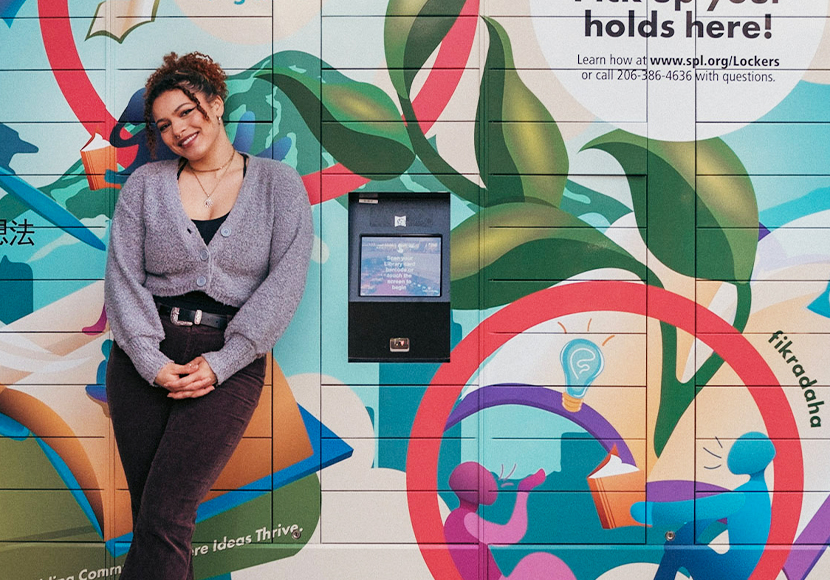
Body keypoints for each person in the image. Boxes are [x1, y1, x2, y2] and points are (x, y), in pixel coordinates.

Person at [104, 52, 313, 579]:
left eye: (186, 111)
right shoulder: (146, 185)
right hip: (142, 360)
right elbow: (122, 278)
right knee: (157, 518)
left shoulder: (278, 185)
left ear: (215, 105)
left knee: (165, 514)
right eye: (164, 124)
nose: (177, 129)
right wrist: (150, 359)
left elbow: (284, 283)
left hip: (228, 362)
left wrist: (227, 360)